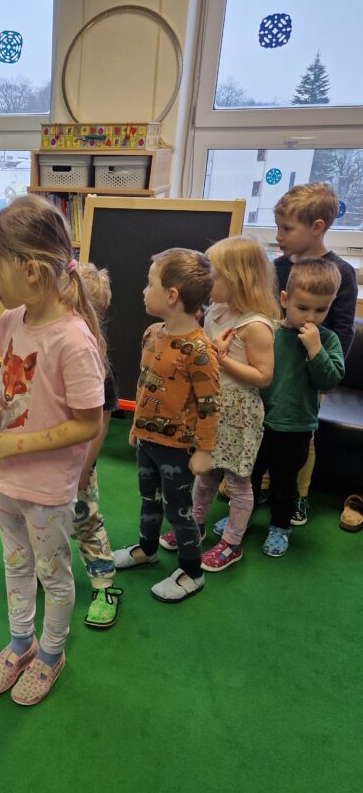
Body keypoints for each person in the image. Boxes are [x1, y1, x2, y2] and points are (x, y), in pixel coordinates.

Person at [0, 196, 104, 706]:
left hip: (47, 487)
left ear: (31, 270)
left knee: (53, 575)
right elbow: (9, 387)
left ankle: (50, 652)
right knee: (16, 565)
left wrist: (14, 442)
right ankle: (20, 642)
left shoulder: (73, 341)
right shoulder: (12, 321)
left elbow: (88, 424)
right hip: (5, 477)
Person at [159, 236, 277, 572]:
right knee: (205, 471)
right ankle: (194, 525)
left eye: (214, 276)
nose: (207, 283)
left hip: (239, 414)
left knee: (238, 482)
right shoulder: (216, 312)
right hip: (210, 409)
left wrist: (219, 357)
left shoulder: (256, 325)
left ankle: (232, 543)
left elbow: (263, 376)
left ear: (238, 279)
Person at [113, 249, 220, 603]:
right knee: (149, 499)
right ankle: (147, 549)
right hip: (147, 440)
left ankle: (192, 571)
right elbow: (144, 386)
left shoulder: (200, 351)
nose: (144, 290)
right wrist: (136, 426)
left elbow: (210, 406)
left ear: (172, 295)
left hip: (177, 448)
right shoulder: (152, 334)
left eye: (150, 284)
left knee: (179, 510)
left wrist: (205, 450)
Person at [244, 258, 344, 556]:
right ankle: (241, 519)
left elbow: (329, 380)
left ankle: (280, 527)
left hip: (296, 427)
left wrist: (315, 350)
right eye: (303, 307)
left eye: (321, 310)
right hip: (258, 422)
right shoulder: (269, 332)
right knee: (248, 477)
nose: (311, 317)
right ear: (284, 299)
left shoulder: (328, 339)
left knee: (285, 483)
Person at [271, 182, 357, 526]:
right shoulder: (279, 267)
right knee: (269, 430)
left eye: (287, 229)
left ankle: (299, 494)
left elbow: (343, 329)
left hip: (312, 372)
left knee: (302, 438)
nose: (279, 236)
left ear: (317, 227)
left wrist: (327, 376)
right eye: (277, 227)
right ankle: (266, 484)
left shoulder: (342, 273)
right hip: (275, 369)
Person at [71, 262, 123, 629]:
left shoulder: (96, 364)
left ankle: (104, 586)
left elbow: (101, 423)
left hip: (78, 464)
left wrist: (84, 468)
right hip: (46, 461)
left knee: (84, 520)